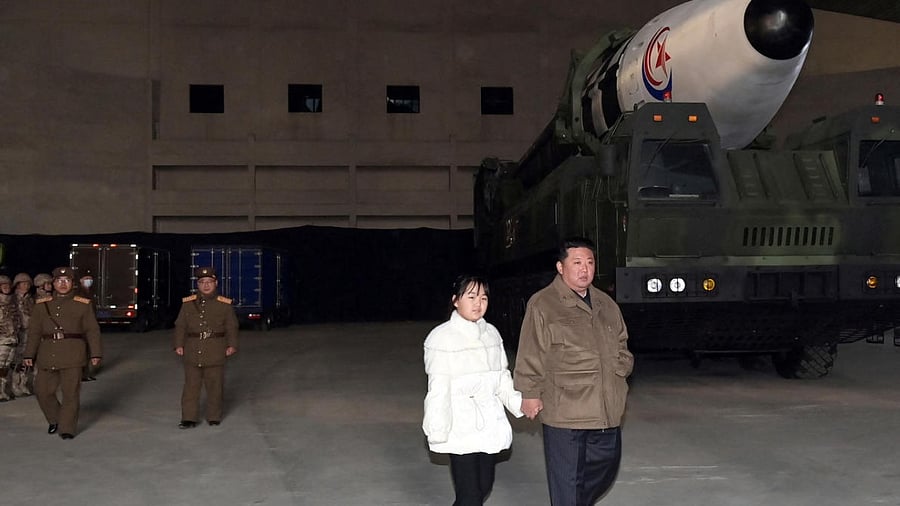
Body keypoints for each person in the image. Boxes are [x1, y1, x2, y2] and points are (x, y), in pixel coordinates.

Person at [514, 237, 634, 505]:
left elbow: (623, 342)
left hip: (605, 407)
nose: (585, 269)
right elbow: (531, 350)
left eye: (590, 263)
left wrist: (622, 366)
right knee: (566, 481)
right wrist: (529, 392)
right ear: (560, 267)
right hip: (565, 409)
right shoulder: (543, 304)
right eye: (577, 263)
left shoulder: (606, 303)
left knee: (606, 468)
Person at [423, 275, 523, 506]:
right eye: (471, 297)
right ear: (456, 300)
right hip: (460, 424)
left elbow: (502, 378)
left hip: (489, 422)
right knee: (470, 496)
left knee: (483, 486)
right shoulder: (441, 338)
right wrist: (437, 430)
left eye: (483, 297)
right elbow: (438, 389)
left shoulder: (492, 334)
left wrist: (519, 403)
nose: (478, 303)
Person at [22, 267, 103, 439]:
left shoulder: (83, 305)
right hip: (47, 353)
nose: (63, 284)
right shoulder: (42, 305)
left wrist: (96, 353)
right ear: (53, 283)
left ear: (73, 284)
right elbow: (34, 332)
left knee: (70, 394)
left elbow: (92, 330)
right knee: (42, 391)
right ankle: (55, 419)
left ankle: (67, 428)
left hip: (73, 354)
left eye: (67, 281)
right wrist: (29, 354)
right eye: (59, 281)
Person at [173, 266, 238, 429]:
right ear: (197, 284)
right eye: (202, 282)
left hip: (215, 349)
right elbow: (180, 325)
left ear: (216, 283)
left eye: (209, 282)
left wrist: (232, 345)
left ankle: (213, 416)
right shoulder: (188, 304)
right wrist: (178, 344)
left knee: (214, 386)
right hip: (193, 349)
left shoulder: (224, 304)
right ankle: (188, 418)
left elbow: (232, 326)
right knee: (191, 387)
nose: (206, 285)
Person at [11, 272, 35, 397]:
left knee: (28, 359)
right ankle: (15, 385)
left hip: (30, 332)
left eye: (27, 284)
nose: (26, 286)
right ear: (17, 285)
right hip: (17, 333)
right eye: (23, 283)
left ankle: (23, 384)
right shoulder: (12, 299)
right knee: (17, 360)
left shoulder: (30, 299)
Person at [0, 275, 21, 401]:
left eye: (8, 286)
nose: (7, 288)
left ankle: (3, 390)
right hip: (2, 340)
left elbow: (17, 320)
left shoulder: (11, 303)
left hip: (12, 339)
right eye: (4, 286)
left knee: (6, 368)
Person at [77, 269, 98, 381]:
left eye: (90, 279)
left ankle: (86, 373)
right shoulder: (79, 293)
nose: (89, 281)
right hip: (81, 326)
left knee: (89, 350)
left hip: (89, 324)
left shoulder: (90, 292)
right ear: (81, 280)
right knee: (82, 350)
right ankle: (81, 374)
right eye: (86, 279)